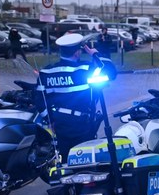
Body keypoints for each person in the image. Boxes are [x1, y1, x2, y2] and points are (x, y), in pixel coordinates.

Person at [36, 33, 117, 161]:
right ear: (77, 53)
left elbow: (39, 100)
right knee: (84, 160)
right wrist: (96, 54)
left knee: (65, 161)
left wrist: (50, 119)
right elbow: (112, 73)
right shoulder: (86, 69)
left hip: (60, 123)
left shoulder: (46, 72)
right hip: (83, 124)